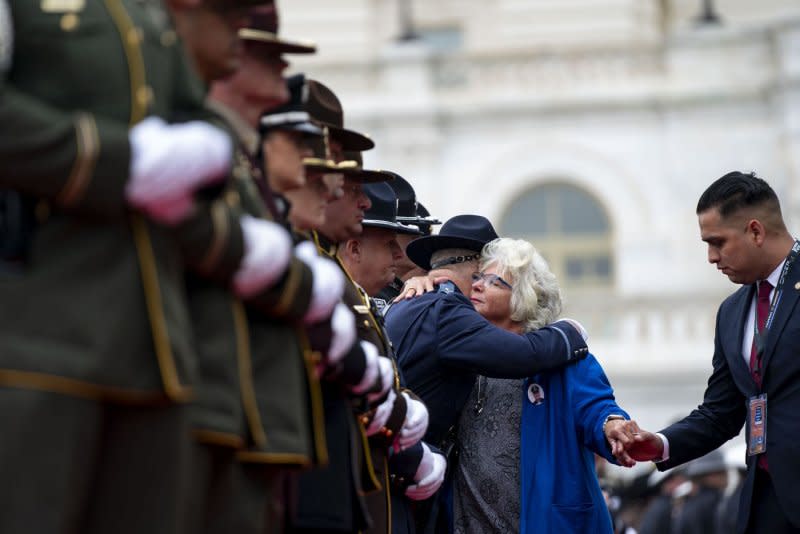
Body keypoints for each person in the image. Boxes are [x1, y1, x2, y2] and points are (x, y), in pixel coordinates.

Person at [0, 1, 246, 532]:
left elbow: (192, 108)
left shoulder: (141, 9)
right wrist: (111, 161)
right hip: (33, 335)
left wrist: (208, 149)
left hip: (154, 349)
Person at [384, 214, 594, 532]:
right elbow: (523, 355)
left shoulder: (410, 303)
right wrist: (571, 332)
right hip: (403, 483)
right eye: (484, 273)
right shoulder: (449, 312)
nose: (482, 283)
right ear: (473, 265)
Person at [623, 171, 800, 533]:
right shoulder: (732, 312)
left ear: (755, 231)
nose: (711, 257)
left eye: (718, 242)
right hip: (763, 503)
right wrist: (660, 442)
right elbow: (721, 411)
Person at [450, 237, 635, 533]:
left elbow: (597, 408)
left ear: (523, 298)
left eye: (494, 282)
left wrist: (612, 425)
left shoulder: (565, 360)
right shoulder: (462, 358)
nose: (477, 286)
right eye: (478, 278)